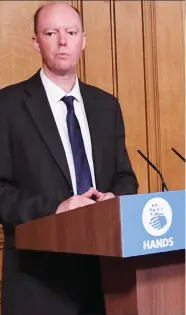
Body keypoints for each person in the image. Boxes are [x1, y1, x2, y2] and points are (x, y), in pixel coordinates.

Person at [0, 2, 138, 315]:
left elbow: (125, 176)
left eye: (71, 32)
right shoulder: (6, 106)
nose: (63, 41)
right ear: (37, 42)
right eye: (52, 33)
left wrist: (113, 199)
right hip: (38, 284)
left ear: (83, 40)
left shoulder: (106, 105)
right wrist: (58, 208)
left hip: (107, 278)